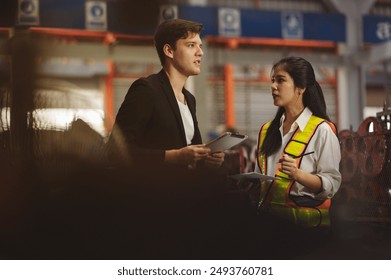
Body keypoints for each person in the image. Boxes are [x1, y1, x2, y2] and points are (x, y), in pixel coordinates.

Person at [107, 19, 228, 258]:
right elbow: (116, 151)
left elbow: (192, 150)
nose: (200, 52)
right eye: (191, 45)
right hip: (149, 210)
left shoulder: (189, 99)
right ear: (169, 50)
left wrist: (208, 157)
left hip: (182, 208)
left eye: (200, 45)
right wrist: (171, 157)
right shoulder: (146, 90)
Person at [254, 56, 341, 229]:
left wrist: (298, 174)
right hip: (269, 228)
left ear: (300, 88)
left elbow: (331, 184)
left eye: (280, 80)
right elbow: (261, 177)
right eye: (272, 80)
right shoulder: (266, 130)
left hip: (306, 234)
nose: (273, 86)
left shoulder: (322, 130)